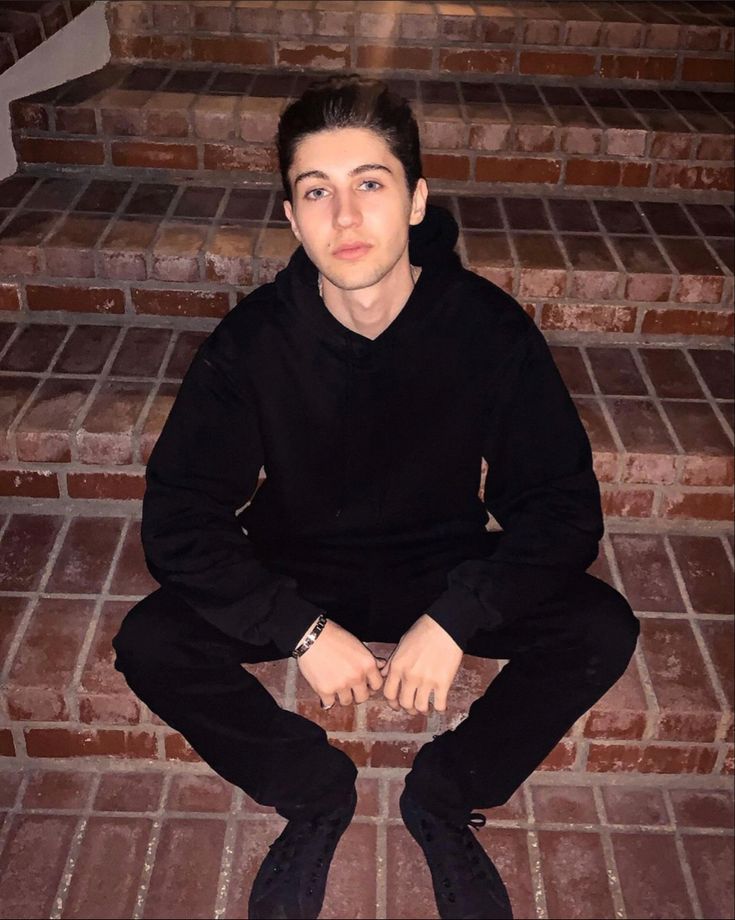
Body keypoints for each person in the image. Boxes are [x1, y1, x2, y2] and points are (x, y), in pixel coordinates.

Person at [112, 74, 640, 920]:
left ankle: (445, 790)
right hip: (297, 565)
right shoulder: (251, 343)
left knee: (599, 627)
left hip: (440, 564)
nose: (345, 217)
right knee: (150, 643)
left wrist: (458, 617)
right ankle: (313, 790)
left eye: (370, 184)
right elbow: (179, 521)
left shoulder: (485, 329)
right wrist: (299, 630)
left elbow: (559, 507)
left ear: (416, 200)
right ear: (290, 217)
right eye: (316, 192)